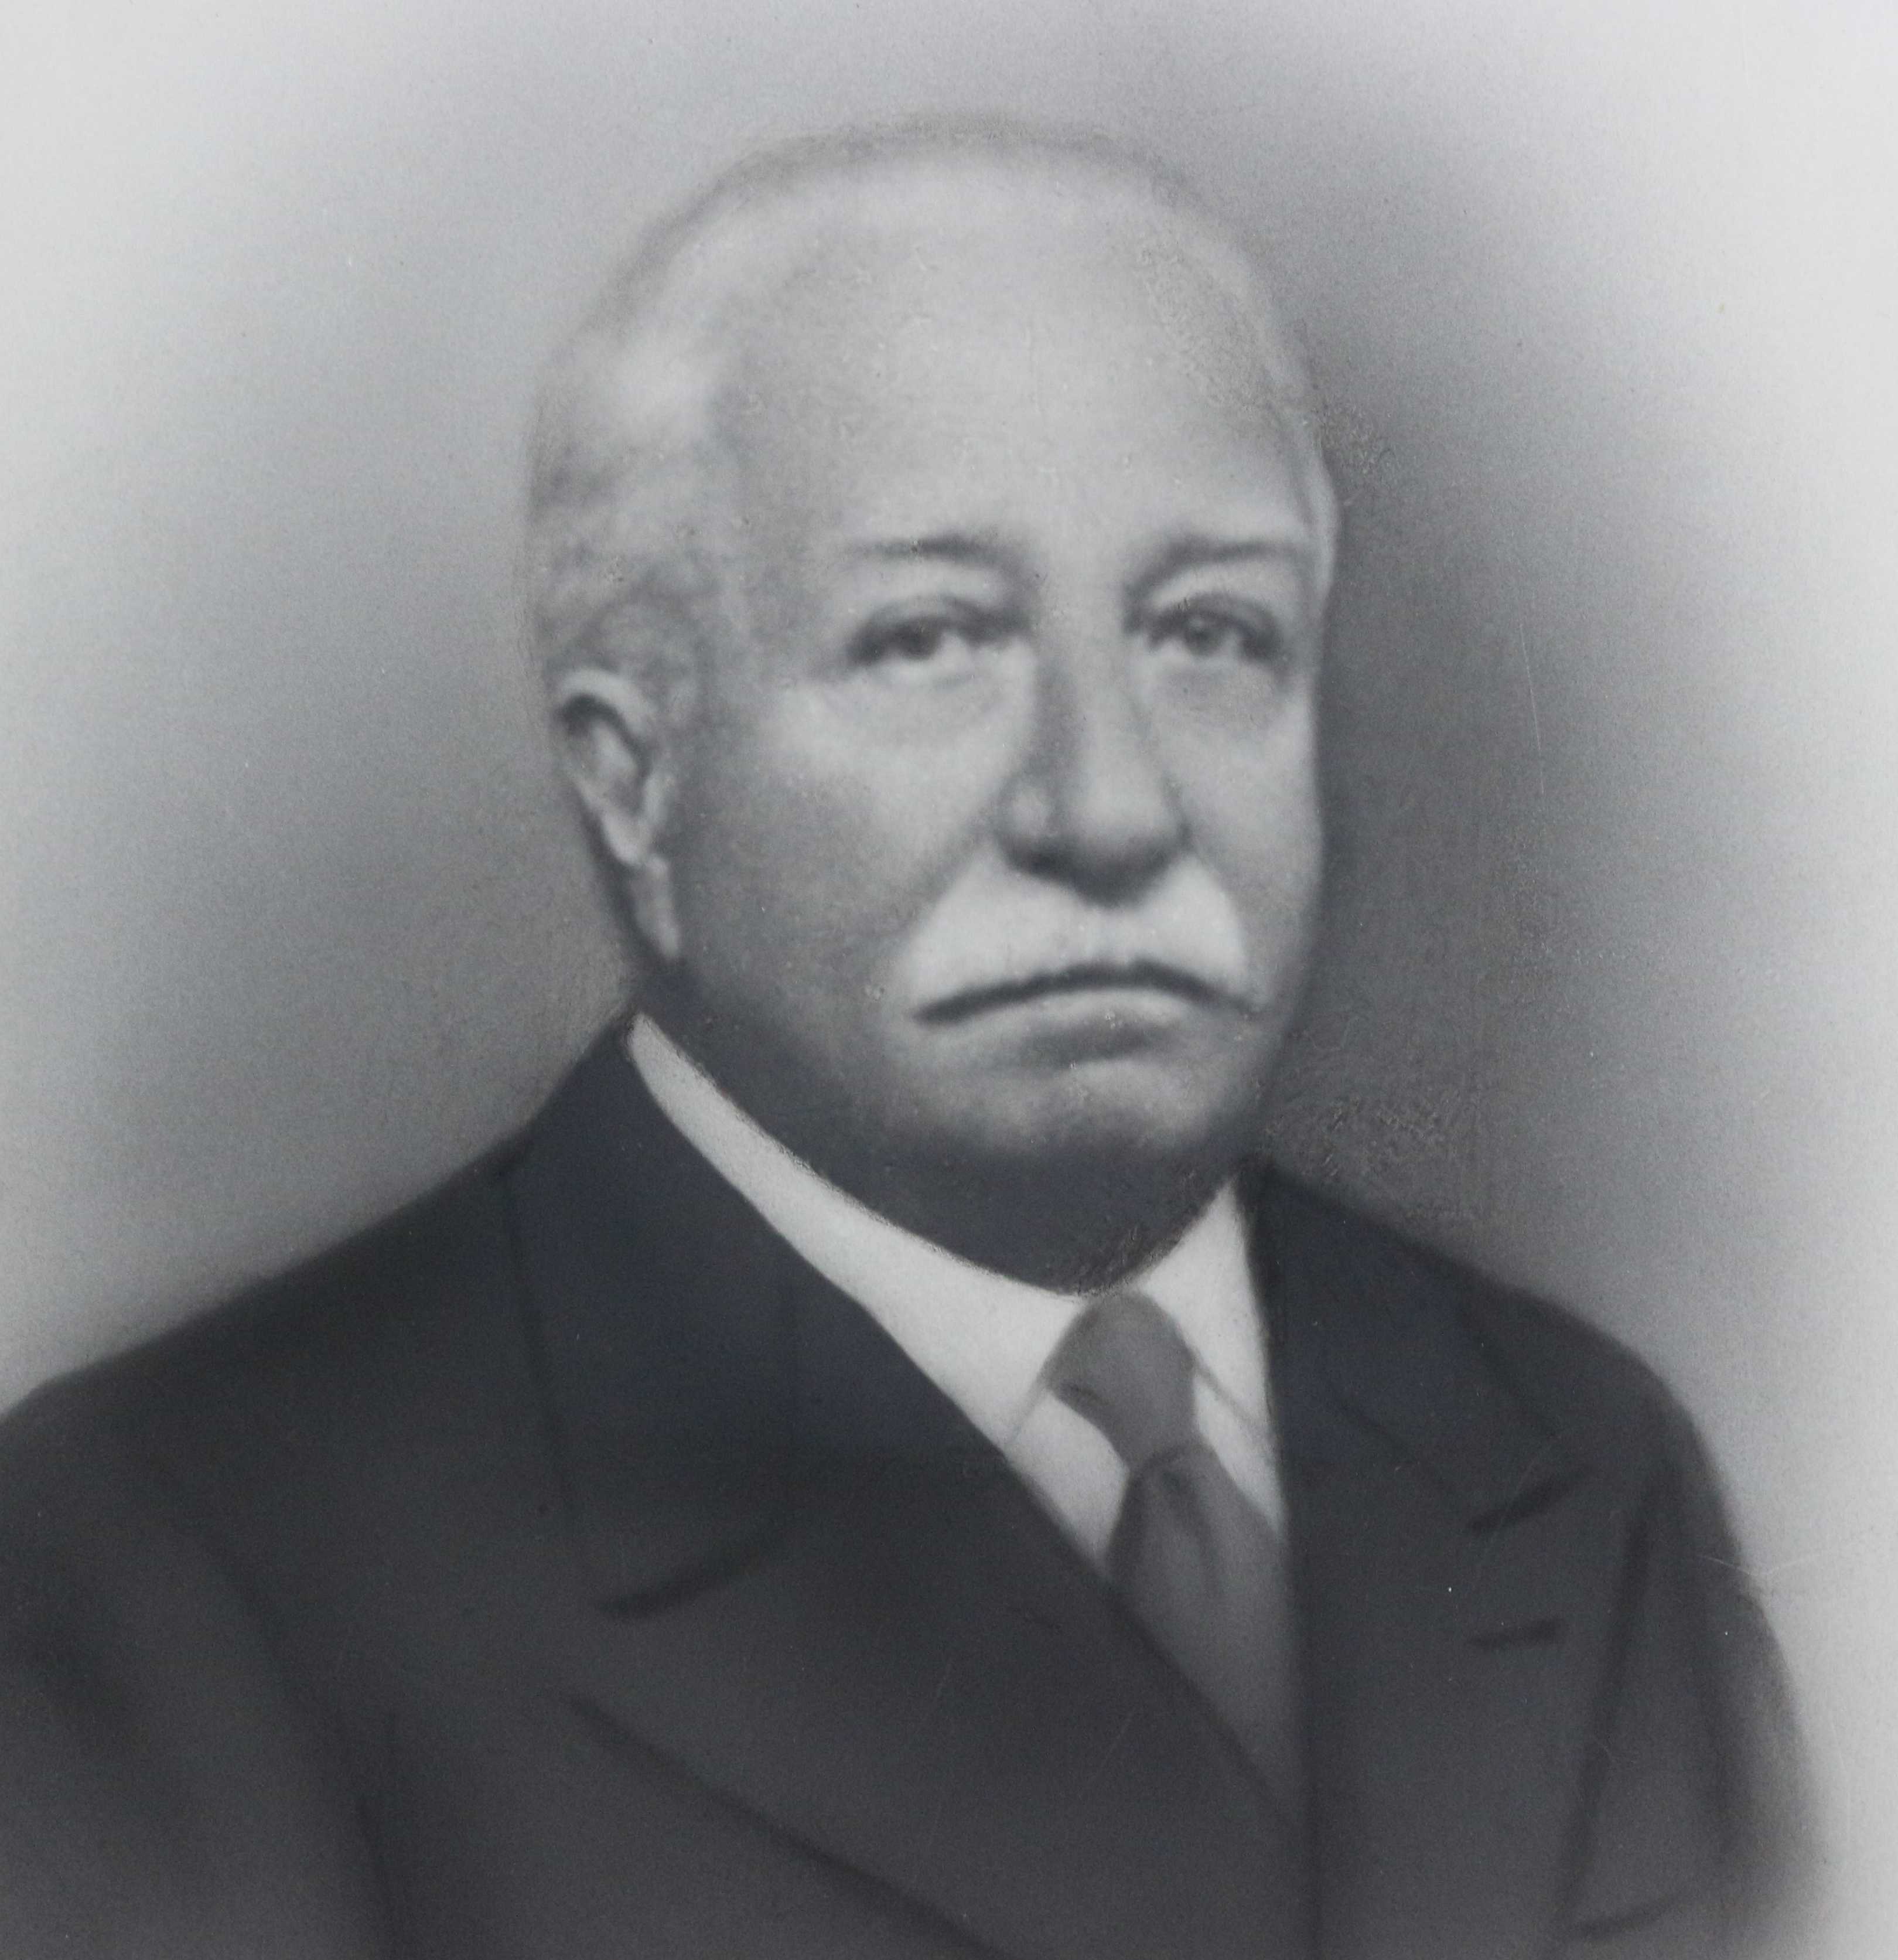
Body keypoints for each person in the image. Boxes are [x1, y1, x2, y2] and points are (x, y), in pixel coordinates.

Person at [0, 124, 1808, 1959]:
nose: (1110, 808)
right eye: (932, 639)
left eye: (1211, 631)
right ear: (633, 777)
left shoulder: (1579, 1467)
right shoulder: (169, 1575)